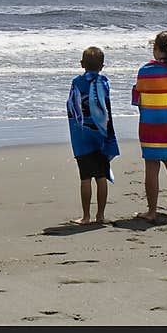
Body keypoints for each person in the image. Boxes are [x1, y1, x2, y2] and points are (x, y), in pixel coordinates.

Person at [131, 30, 167, 222]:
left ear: (156, 48)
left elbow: (137, 98)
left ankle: (152, 210)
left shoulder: (145, 71)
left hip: (151, 126)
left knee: (152, 167)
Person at [66, 46, 119, 224]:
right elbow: (106, 108)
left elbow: (72, 106)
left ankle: (86, 216)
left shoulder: (77, 82)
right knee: (101, 176)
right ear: (102, 66)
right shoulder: (104, 82)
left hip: (83, 136)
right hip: (101, 134)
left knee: (85, 177)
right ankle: (101, 216)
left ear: (82, 64)